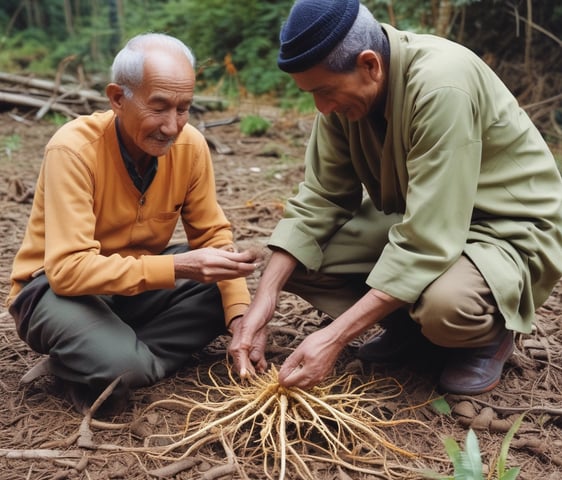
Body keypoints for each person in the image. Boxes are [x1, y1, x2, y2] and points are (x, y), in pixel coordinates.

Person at [228, 0, 562, 395]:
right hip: (429, 218)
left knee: (446, 306)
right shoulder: (343, 99)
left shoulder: (442, 85)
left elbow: (426, 239)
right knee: (297, 259)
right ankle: (412, 328)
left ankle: (486, 336)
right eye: (310, 94)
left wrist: (336, 337)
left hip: (505, 229)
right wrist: (264, 301)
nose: (322, 107)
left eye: (324, 91)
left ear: (370, 65)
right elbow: (321, 199)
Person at [6, 33, 261, 414]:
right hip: (55, 292)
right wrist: (177, 266)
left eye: (184, 108)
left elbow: (211, 236)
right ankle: (115, 361)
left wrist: (241, 317)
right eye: (158, 108)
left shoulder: (190, 148)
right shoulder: (73, 150)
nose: (172, 127)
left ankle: (99, 355)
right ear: (117, 98)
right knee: (123, 364)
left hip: (132, 288)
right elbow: (68, 271)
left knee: (222, 290)